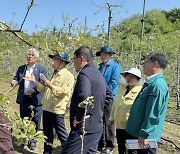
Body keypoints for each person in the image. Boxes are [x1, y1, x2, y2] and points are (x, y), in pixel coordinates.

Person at [24, 52, 74, 154]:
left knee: (62, 135)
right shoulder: (54, 73)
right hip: (46, 108)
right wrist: (35, 81)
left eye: (55, 60)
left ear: (62, 62)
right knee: (47, 136)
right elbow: (44, 89)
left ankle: (70, 151)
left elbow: (63, 92)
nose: (53, 62)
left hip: (57, 110)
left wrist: (50, 85)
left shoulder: (68, 76)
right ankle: (47, 152)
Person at [61, 46, 108, 154]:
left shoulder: (84, 74)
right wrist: (98, 113)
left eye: (74, 59)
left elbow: (84, 96)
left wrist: (79, 117)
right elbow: (109, 97)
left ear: (81, 59)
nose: (73, 63)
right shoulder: (98, 74)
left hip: (84, 128)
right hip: (97, 127)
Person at [125, 53, 169, 154]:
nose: (143, 65)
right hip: (134, 133)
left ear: (155, 64)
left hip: (144, 138)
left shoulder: (158, 86)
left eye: (146, 62)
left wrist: (144, 133)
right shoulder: (149, 83)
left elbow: (153, 113)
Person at [11, 48, 47, 150]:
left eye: (32, 55)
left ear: (36, 58)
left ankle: (33, 141)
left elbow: (43, 84)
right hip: (24, 98)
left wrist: (34, 90)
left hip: (36, 98)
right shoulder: (21, 68)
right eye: (28, 54)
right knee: (24, 119)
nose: (29, 56)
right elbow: (16, 78)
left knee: (36, 120)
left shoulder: (41, 69)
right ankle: (23, 139)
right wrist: (14, 81)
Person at [109, 68, 142, 154]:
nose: (129, 78)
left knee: (131, 150)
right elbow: (115, 104)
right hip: (119, 125)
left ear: (138, 79)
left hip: (131, 127)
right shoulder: (122, 89)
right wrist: (112, 118)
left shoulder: (140, 91)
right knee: (121, 148)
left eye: (132, 77)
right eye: (127, 76)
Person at [96, 46, 122, 153]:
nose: (103, 56)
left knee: (109, 122)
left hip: (110, 98)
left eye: (106, 54)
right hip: (99, 97)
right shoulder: (99, 67)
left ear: (110, 55)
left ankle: (110, 145)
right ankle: (100, 143)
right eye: (102, 54)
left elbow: (113, 83)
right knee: (99, 120)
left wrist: (104, 93)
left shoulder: (116, 67)